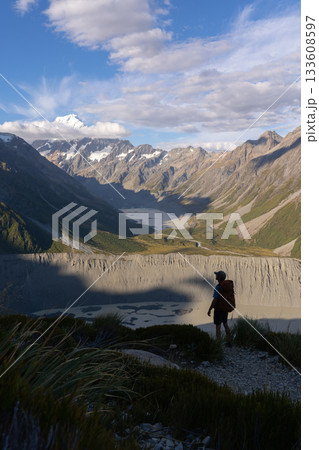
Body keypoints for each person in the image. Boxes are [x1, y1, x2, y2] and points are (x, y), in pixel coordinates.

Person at [207, 270, 232, 345]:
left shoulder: (218, 287)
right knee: (225, 324)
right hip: (225, 308)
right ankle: (229, 341)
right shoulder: (226, 287)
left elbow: (215, 299)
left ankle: (218, 343)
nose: (216, 276)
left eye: (217, 275)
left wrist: (210, 309)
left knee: (218, 326)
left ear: (219, 277)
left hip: (218, 309)